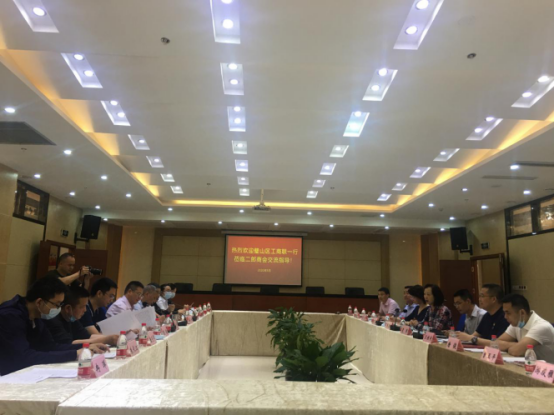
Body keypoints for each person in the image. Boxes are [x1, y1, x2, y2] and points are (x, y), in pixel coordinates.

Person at [0, 277, 104, 375]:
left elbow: (51, 346)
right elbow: (24, 357)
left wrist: (85, 347)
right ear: (39, 302)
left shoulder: (37, 316)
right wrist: (74, 354)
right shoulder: (9, 317)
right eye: (57, 304)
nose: (59, 309)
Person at [45, 286, 119, 346]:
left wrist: (113, 337)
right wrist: (105, 340)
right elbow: (69, 344)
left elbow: (88, 336)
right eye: (82, 307)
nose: (85, 310)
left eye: (86, 306)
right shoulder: (54, 321)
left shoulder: (72, 319)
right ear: (68, 308)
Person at [494, 294, 554, 362]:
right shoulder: (517, 323)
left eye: (508, 313)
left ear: (522, 313)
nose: (505, 317)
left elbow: (516, 351)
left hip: (547, 367)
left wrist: (516, 347)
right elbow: (496, 343)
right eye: (504, 313)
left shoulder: (541, 327)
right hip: (530, 365)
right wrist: (516, 345)